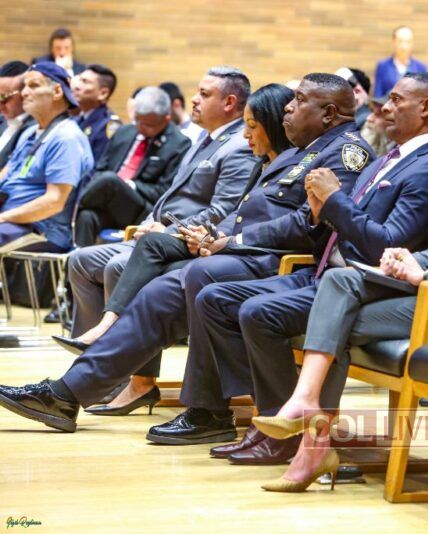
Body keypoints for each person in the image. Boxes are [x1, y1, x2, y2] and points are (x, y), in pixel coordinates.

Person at [1, 74, 371, 436]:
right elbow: (250, 211)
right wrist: (216, 235)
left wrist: (232, 240)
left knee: (198, 276)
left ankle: (208, 409)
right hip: (244, 256)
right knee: (157, 293)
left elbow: (309, 225)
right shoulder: (301, 152)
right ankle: (66, 394)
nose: (289, 107)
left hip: (278, 264)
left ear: (328, 113)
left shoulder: (345, 153)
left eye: (300, 100)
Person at [253, 85, 428, 492]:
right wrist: (406, 259)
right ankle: (309, 423)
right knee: (339, 281)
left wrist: (425, 276)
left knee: (333, 324)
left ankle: (312, 438)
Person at [146, 72, 428, 455]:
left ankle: (282, 431)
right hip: (325, 272)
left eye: (395, 100)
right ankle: (255, 416)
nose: (383, 108)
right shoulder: (391, 157)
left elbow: (388, 244)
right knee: (214, 299)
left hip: (363, 285)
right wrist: (324, 210)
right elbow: (327, 220)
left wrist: (332, 201)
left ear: (426, 107)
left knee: (257, 311)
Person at [63, 66, 257, 349]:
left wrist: (167, 230)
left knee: (117, 266)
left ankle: (121, 364)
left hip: (184, 241)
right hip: (156, 234)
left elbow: (224, 209)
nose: (194, 99)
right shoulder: (203, 139)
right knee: (81, 260)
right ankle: (89, 356)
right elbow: (169, 195)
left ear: (229, 103)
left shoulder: (239, 145)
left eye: (204, 94)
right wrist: (148, 222)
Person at [73, 86, 193, 246]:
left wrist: (130, 185)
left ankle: (69, 208)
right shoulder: (123, 132)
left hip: (141, 209)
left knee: (110, 180)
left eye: (148, 124)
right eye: (137, 120)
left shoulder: (179, 144)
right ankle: (80, 257)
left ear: (166, 119)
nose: (140, 127)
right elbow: (100, 169)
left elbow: (165, 191)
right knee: (87, 215)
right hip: (107, 200)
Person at [0, 62, 93, 251]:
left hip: (42, 230)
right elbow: (5, 174)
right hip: (11, 222)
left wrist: (3, 217)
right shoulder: (29, 132)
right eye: (24, 86)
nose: (24, 93)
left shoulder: (66, 137)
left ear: (57, 91)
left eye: (33, 85)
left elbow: (54, 201)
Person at [71, 64, 122, 161]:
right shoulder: (76, 118)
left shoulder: (108, 125)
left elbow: (99, 165)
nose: (76, 86)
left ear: (103, 93)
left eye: (85, 82)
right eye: (79, 80)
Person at [0, 61, 36, 169]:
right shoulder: (2, 121)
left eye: (4, 98)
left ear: (25, 93)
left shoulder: (36, 128)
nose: (0, 106)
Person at [374, 26, 427, 98]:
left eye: (407, 41)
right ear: (393, 42)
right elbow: (378, 96)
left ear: (412, 43)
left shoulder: (421, 68)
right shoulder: (383, 66)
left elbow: (423, 96)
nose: (403, 46)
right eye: (400, 41)